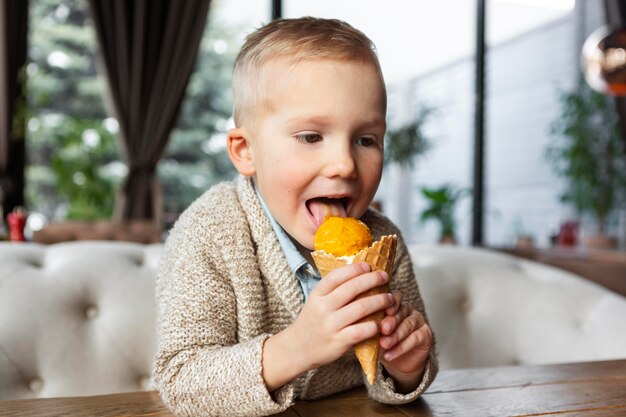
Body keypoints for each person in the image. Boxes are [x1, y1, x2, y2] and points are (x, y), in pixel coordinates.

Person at [154, 17, 437, 417]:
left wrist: (405, 368)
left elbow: (402, 380)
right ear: (245, 152)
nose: (343, 164)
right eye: (310, 137)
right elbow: (181, 381)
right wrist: (297, 347)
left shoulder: (382, 241)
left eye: (365, 140)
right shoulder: (211, 231)